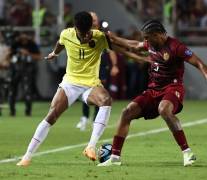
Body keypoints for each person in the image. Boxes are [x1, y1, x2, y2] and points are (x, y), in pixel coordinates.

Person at [17, 11, 146, 167]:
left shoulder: (99, 36)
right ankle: (27, 156)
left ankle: (90, 146)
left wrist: (141, 54)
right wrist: (54, 53)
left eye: (88, 33)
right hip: (70, 83)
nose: (86, 37)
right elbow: (60, 43)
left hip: (91, 84)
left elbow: (123, 48)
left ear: (91, 27)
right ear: (75, 28)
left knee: (106, 100)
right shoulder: (67, 34)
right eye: (82, 33)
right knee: (52, 116)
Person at [98, 20, 207, 167]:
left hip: (172, 88)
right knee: (127, 112)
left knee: (164, 110)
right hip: (153, 89)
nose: (145, 41)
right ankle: (115, 157)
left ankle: (187, 153)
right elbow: (134, 45)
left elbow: (200, 63)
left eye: (147, 37)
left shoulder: (176, 47)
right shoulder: (151, 43)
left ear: (157, 35)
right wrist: (115, 38)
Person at [76, 11, 119, 131]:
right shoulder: (82, 33)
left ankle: (95, 118)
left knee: (99, 93)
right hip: (87, 69)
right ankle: (84, 118)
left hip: (101, 68)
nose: (93, 22)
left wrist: (114, 65)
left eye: (95, 19)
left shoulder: (102, 35)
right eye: (91, 19)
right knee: (85, 92)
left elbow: (111, 51)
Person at [8, 32, 41, 116]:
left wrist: (27, 53)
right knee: (12, 91)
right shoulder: (15, 44)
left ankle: (28, 111)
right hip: (15, 70)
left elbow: (39, 57)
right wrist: (12, 54)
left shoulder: (32, 44)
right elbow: (8, 56)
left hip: (27, 70)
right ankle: (12, 111)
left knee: (27, 91)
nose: (23, 36)